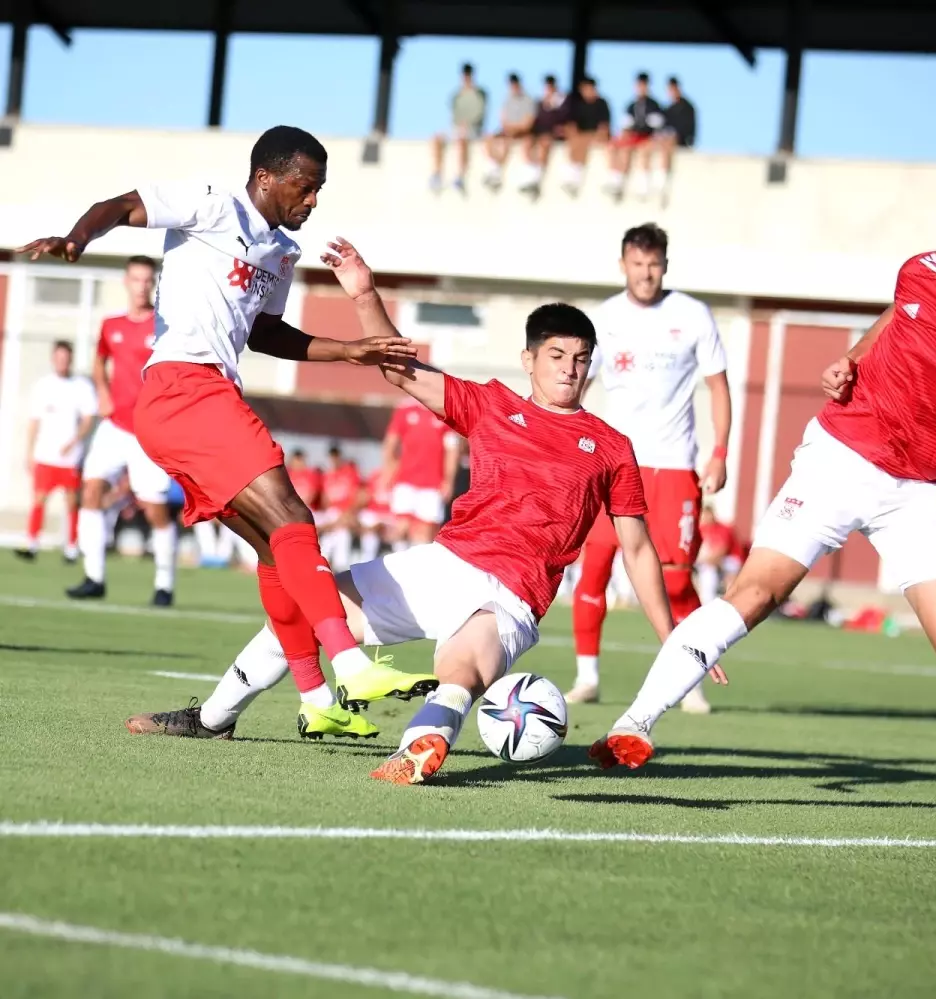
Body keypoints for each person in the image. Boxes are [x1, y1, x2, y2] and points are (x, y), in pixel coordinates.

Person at [590, 214, 936, 850]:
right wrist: (852, 357)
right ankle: (635, 723)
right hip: (839, 456)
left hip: (917, 493)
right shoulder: (922, 272)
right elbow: (899, 314)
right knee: (756, 593)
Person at [128, 243, 686, 788]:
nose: (569, 371)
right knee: (307, 608)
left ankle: (419, 746)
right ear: (530, 360)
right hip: (444, 564)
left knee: (461, 670)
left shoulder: (612, 446)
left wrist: (673, 639)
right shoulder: (492, 404)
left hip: (513, 595)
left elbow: (636, 549)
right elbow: (399, 370)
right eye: (557, 357)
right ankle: (213, 719)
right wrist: (365, 294)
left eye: (581, 360)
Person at [18, 124, 435, 743]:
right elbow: (119, 206)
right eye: (305, 186)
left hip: (196, 400)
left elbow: (268, 333)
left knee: (276, 548)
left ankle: (318, 699)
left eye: (319, 190)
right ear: (266, 176)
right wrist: (78, 239)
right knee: (295, 518)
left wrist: (350, 350)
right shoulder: (213, 204)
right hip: (184, 387)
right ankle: (350, 662)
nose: (313, 201)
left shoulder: (280, 252)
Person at [568, 223, 731, 714]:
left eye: (654, 264)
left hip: (673, 464)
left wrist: (720, 451)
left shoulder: (693, 315)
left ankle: (691, 680)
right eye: (637, 264)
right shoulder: (604, 318)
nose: (646, 273)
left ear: (665, 265)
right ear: (623, 265)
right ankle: (587, 677)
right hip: (613, 465)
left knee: (676, 581)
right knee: (593, 568)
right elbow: (576, 385)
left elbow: (719, 388)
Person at [67, 255, 178, 605]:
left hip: (148, 431)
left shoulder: (165, 326)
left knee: (154, 509)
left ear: (154, 284)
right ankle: (94, 576)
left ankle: (164, 584)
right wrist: (101, 390)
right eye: (136, 279)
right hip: (113, 427)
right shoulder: (110, 325)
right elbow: (99, 361)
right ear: (126, 283)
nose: (142, 286)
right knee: (90, 491)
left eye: (148, 280)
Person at [15, 341, 97, 562]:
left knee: (72, 501)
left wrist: (75, 440)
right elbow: (34, 421)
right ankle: (31, 543)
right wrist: (30, 452)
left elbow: (89, 418)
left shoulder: (81, 386)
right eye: (58, 357)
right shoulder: (43, 386)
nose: (62, 361)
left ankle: (71, 546)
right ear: (53, 359)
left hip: (70, 457)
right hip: (46, 454)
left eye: (66, 358)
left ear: (70, 359)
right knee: (39, 498)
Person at [381, 394, 462, 547]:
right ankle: (395, 567)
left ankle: (416, 568)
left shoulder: (445, 414)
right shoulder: (406, 409)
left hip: (432, 483)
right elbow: (390, 443)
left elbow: (452, 451)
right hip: (405, 480)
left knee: (424, 532)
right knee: (400, 527)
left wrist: (448, 480)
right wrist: (388, 472)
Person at [604, 73, 665, 199]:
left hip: (648, 138)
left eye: (643, 85)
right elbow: (626, 125)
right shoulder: (631, 105)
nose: (641, 88)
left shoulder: (654, 105)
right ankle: (616, 180)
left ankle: (643, 186)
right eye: (639, 85)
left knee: (643, 153)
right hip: (633, 137)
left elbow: (657, 125)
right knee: (619, 148)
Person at [431, 63, 487, 194]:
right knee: (437, 138)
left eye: (468, 74)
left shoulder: (480, 94)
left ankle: (460, 176)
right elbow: (454, 115)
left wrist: (467, 124)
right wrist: (459, 124)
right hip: (457, 128)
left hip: (473, 130)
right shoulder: (457, 95)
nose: (466, 77)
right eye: (464, 74)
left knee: (462, 139)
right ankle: (437, 174)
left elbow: (479, 113)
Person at [482, 73, 536, 191]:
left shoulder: (528, 100)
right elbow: (503, 120)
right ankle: (494, 169)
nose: (513, 86)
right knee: (490, 138)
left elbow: (527, 123)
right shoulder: (507, 100)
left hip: (522, 134)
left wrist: (514, 128)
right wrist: (510, 128)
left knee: (518, 142)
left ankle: (529, 177)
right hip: (508, 133)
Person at [315, 444, 362, 572]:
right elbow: (325, 502)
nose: (334, 459)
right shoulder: (327, 476)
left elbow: (357, 497)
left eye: (336, 456)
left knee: (342, 535)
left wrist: (346, 516)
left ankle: (341, 569)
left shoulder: (349, 473)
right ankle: (321, 566)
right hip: (331, 515)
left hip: (345, 514)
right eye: (332, 457)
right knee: (327, 537)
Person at [562, 77, 611, 196]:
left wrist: (596, 136)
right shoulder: (578, 105)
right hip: (581, 137)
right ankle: (573, 171)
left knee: (581, 141)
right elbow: (571, 125)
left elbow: (604, 127)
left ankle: (576, 175)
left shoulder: (602, 104)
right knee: (575, 141)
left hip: (596, 136)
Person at [654, 76, 697, 194]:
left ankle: (663, 175)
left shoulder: (687, 107)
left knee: (668, 142)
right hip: (665, 139)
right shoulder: (669, 109)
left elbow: (688, 129)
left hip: (682, 140)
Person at [696, 505, 745, 605]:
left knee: (715, 570)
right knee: (708, 571)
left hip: (731, 560)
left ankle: (730, 602)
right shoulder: (702, 529)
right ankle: (707, 602)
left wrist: (704, 560)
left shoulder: (723, 529)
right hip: (711, 561)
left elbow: (721, 552)